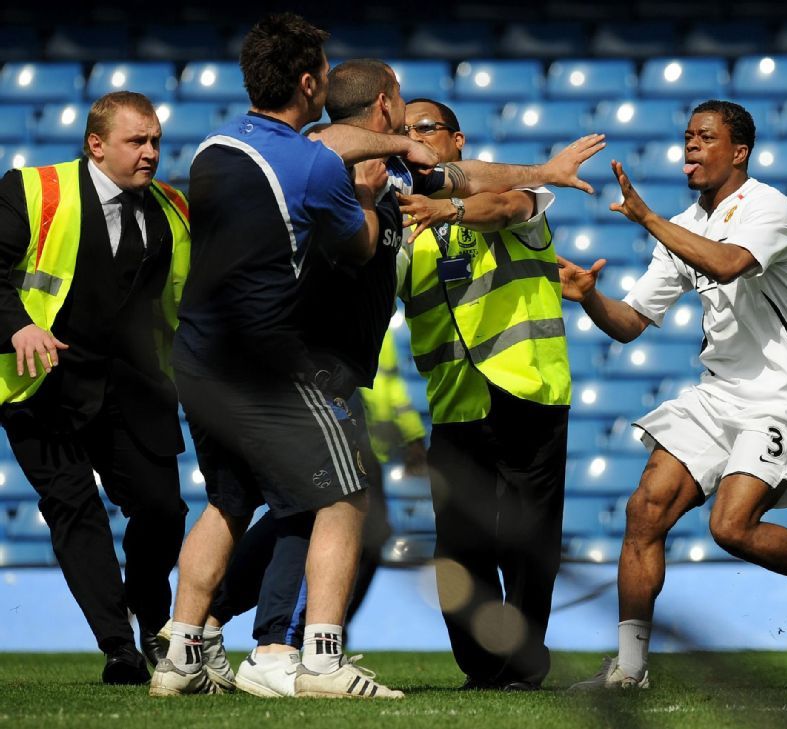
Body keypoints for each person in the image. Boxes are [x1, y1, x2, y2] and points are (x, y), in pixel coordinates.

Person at [151, 15, 604, 699]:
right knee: (337, 495)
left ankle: (188, 647)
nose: (417, 134)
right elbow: (360, 235)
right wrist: (378, 192)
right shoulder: (324, 162)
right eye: (405, 114)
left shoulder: (239, 147)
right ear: (381, 100)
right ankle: (292, 651)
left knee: (232, 501)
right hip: (294, 364)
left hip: (216, 357)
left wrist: (542, 172)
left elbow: (482, 183)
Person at [563, 100, 787, 690]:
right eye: (686, 137)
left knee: (731, 527)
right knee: (644, 511)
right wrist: (587, 298)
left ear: (739, 152)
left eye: (705, 138)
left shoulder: (769, 207)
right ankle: (629, 670)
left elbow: (730, 263)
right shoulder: (684, 225)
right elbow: (631, 322)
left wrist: (649, 218)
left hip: (781, 394)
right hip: (719, 393)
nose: (691, 147)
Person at [0, 91, 190, 685]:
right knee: (74, 510)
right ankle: (120, 649)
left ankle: (154, 622)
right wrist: (18, 327)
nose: (151, 152)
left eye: (156, 140)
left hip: (136, 387)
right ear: (96, 144)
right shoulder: (31, 191)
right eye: (138, 141)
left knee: (163, 511)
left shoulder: (175, 209)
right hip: (44, 386)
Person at [394, 97, 568, 691]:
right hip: (455, 403)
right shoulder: (403, 230)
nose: (414, 139)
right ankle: (482, 666)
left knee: (527, 542)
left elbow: (505, 204)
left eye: (425, 129)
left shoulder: (518, 200)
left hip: (527, 389)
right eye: (402, 132)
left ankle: (522, 662)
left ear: (457, 140)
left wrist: (448, 209)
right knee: (458, 550)